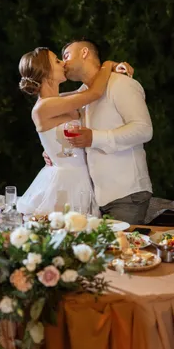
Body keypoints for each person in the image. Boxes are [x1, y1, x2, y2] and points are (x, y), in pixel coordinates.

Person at [44, 39, 153, 224]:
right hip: (94, 199)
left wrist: (94, 137)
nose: (63, 63)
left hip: (126, 195)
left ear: (84, 52)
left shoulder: (121, 84)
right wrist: (52, 151)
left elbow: (143, 129)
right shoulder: (83, 95)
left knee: (122, 252)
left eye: (67, 55)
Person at [17, 46, 131, 216]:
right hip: (65, 183)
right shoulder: (43, 107)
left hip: (82, 177)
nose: (63, 63)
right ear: (46, 71)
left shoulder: (62, 99)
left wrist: (114, 67)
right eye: (57, 61)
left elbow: (87, 90)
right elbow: (94, 92)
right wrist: (107, 64)